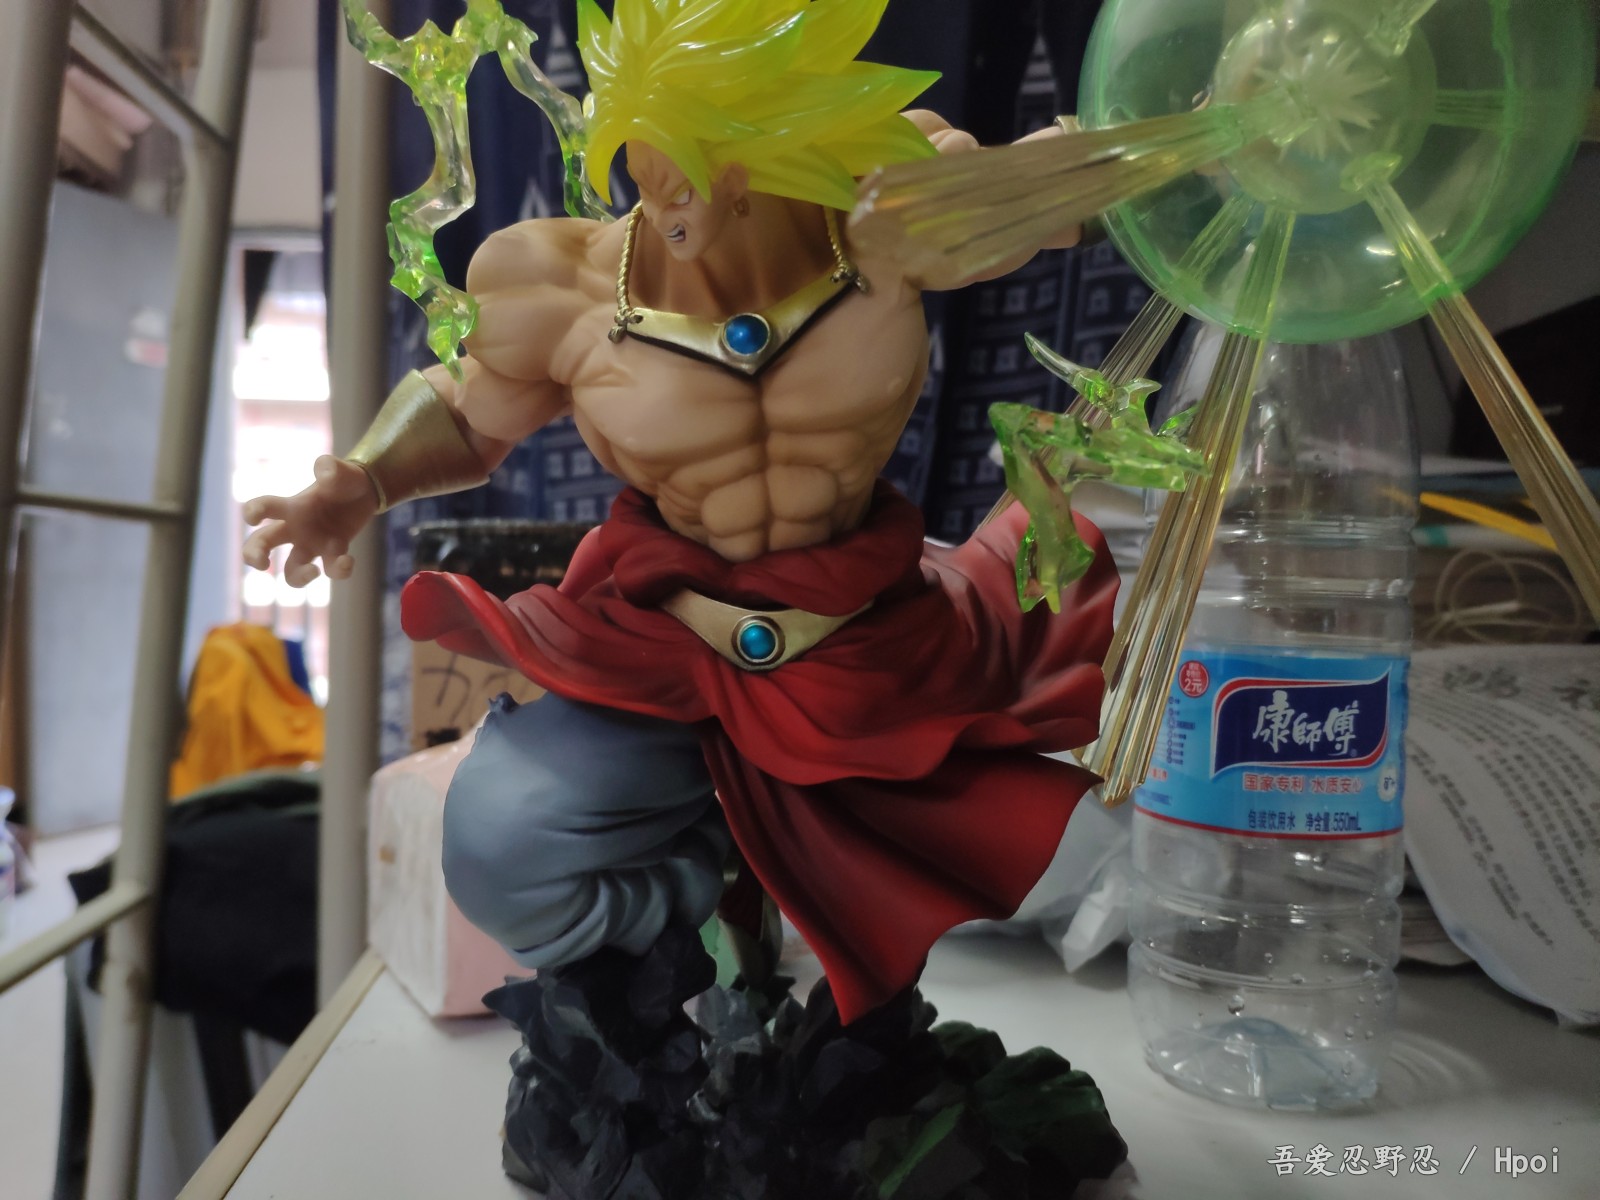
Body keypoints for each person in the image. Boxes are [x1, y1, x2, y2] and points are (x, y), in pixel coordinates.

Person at [244, 0, 1112, 1025]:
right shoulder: (563, 283)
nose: (658, 192)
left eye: (692, 161)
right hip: (667, 648)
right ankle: (703, 910)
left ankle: (812, 931)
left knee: (1075, 860)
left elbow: (1074, 186)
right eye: (640, 151)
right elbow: (469, 413)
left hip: (872, 648)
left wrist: (1213, 132)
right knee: (500, 849)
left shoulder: (887, 208)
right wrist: (353, 483)